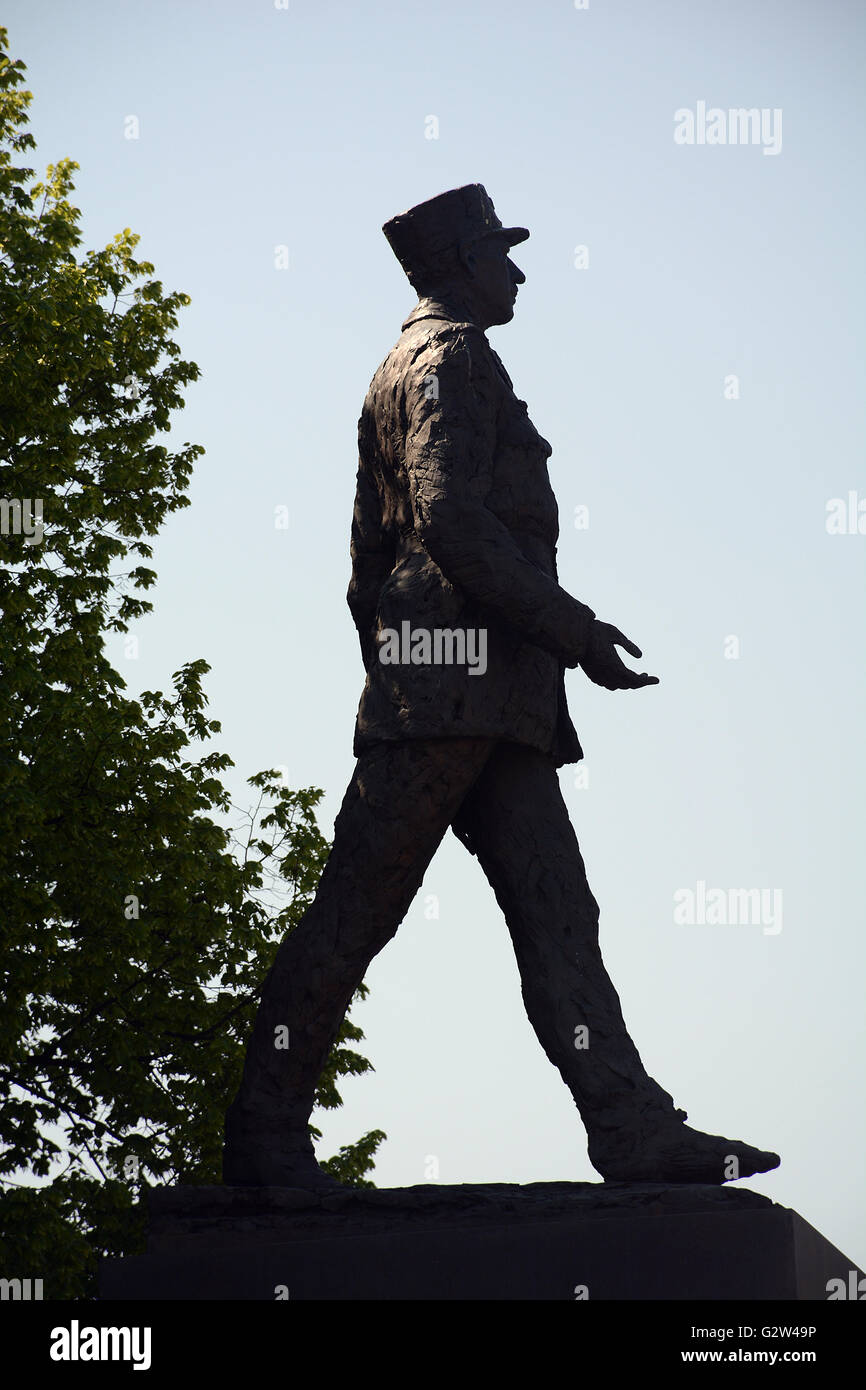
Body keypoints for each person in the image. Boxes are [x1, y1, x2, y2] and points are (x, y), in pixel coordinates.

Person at [223, 185, 779, 1189]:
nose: (516, 272)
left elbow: (366, 563)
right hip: (454, 690)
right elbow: (448, 519)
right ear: (460, 266)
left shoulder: (402, 368)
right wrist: (571, 632)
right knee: (356, 912)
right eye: (500, 254)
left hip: (471, 694)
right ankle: (263, 1138)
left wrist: (403, 660)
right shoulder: (450, 361)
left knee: (555, 909)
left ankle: (630, 1128)